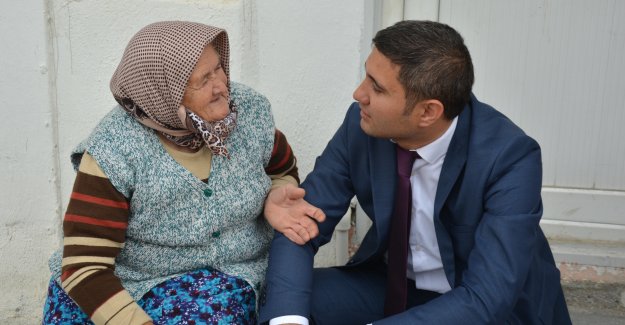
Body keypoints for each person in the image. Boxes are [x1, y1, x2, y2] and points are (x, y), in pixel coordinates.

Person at [259, 20, 571, 324]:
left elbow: (488, 298)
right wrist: (289, 319)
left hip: (482, 306)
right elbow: (300, 222)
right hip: (391, 288)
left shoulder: (510, 157)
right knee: (281, 300)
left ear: (428, 112)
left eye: (377, 88)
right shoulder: (361, 124)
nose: (359, 94)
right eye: (366, 77)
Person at [41, 21, 321, 325]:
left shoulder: (248, 113)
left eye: (219, 69)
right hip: (122, 281)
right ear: (163, 94)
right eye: (203, 80)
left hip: (221, 280)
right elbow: (84, 264)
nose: (221, 86)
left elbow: (281, 167)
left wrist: (273, 194)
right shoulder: (114, 149)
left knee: (216, 313)